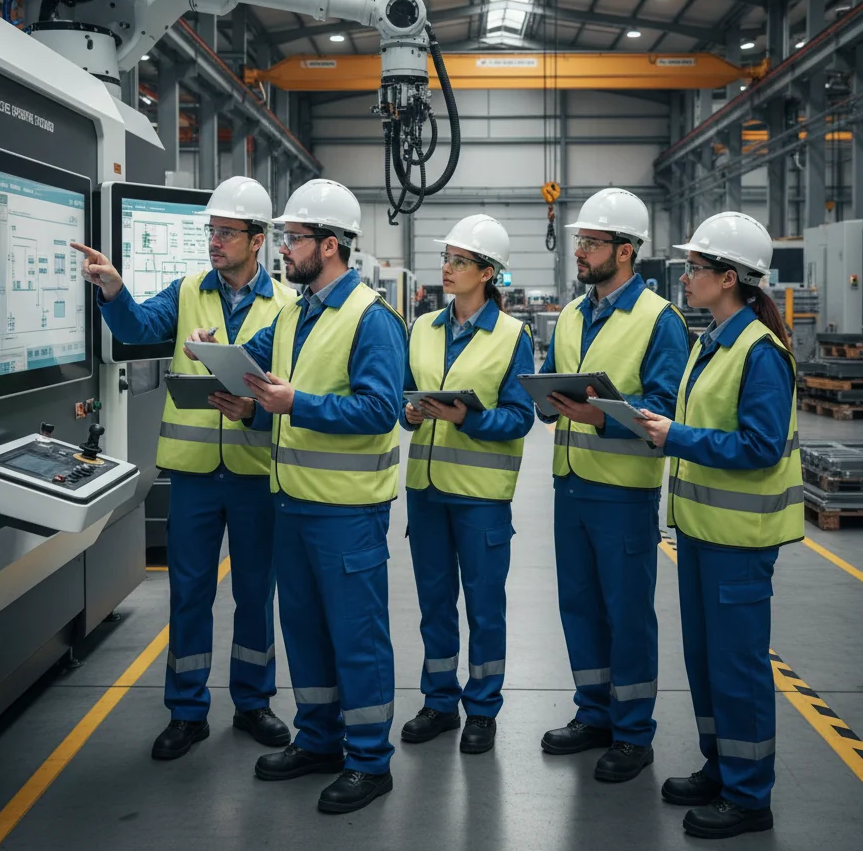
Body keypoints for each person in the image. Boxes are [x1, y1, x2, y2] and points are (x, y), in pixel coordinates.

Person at [72, 176, 297, 761]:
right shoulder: (189, 288)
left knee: (255, 593)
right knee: (189, 593)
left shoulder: (289, 305)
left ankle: (253, 702)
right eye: (211, 232)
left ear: (258, 239)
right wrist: (115, 290)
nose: (214, 242)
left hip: (253, 471)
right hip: (193, 476)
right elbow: (139, 329)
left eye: (226, 233)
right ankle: (187, 711)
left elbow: (293, 389)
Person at [210, 178, 406, 815]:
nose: (282, 250)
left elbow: (380, 410)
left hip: (347, 512)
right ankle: (320, 738)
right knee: (305, 632)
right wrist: (234, 382)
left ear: (329, 246)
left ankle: (370, 759)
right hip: (291, 502)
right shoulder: (293, 314)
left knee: (357, 636)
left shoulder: (371, 319)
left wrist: (298, 403)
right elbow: (255, 369)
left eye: (292, 239)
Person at [636, 212, 803, 840]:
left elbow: (759, 446)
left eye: (696, 268)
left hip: (740, 541)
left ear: (728, 278)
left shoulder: (761, 353)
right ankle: (721, 766)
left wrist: (676, 436)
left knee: (737, 667)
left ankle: (749, 795)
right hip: (704, 532)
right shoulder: (714, 341)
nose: (685, 277)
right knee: (705, 662)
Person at [538, 187, 689, 782]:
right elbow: (559, 384)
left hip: (624, 491)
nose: (581, 251)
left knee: (626, 613)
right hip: (571, 485)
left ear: (625, 252)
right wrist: (548, 402)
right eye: (580, 240)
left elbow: (662, 408)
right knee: (579, 606)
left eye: (592, 242)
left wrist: (600, 415)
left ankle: (632, 732)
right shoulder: (573, 313)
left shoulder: (660, 321)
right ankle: (593, 713)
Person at [398, 215, 534, 754]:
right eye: (446, 258)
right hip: (426, 491)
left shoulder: (512, 336)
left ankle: (482, 707)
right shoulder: (422, 328)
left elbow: (521, 418)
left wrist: (466, 419)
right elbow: (400, 400)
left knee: (483, 605)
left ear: (487, 272)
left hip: (480, 498)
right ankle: (438, 701)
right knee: (434, 603)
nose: (446, 269)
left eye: (458, 261)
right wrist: (410, 415)